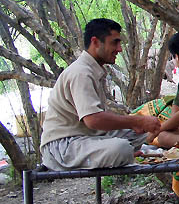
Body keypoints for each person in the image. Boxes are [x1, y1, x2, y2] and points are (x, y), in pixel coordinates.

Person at [40, 18, 161, 171]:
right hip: (62, 147)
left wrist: (140, 124)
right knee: (121, 148)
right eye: (114, 43)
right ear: (95, 42)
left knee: (145, 132)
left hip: (86, 136)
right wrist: (136, 121)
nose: (119, 49)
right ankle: (128, 153)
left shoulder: (93, 70)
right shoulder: (81, 73)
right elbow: (93, 120)